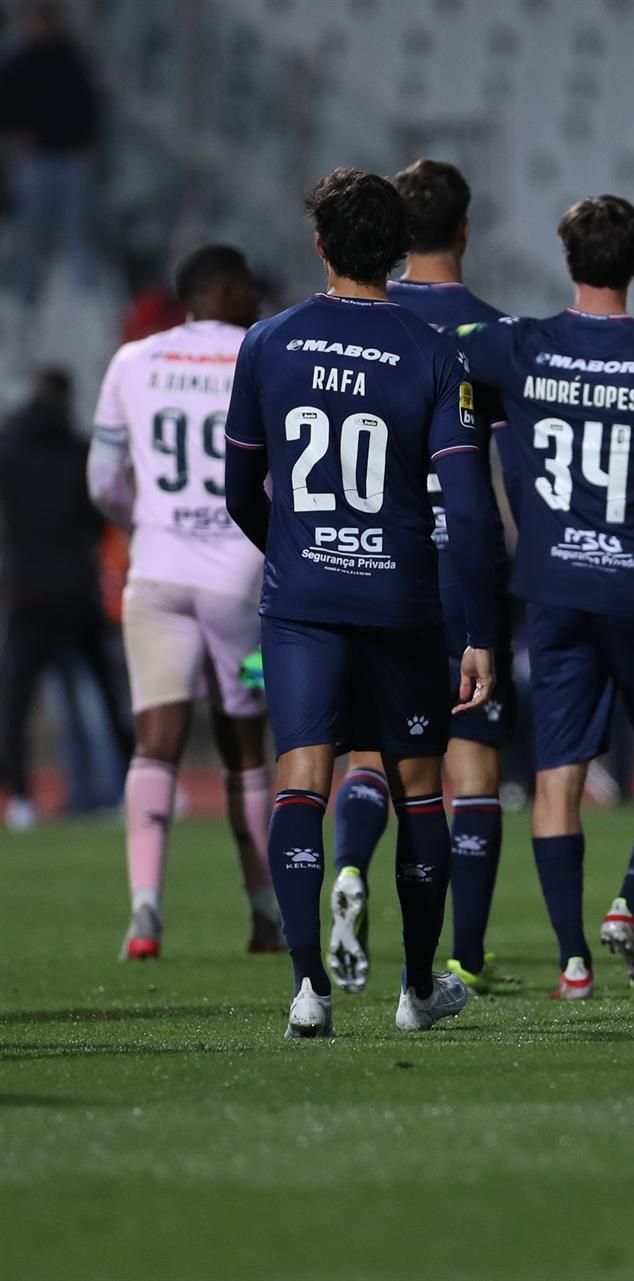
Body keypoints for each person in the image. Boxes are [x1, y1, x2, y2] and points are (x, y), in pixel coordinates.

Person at [223, 167, 500, 1038]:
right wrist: (481, 632)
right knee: (420, 787)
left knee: (302, 776)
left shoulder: (268, 341)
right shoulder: (433, 350)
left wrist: (300, 555)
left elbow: (238, 488)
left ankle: (309, 989)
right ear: (398, 251)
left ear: (319, 246)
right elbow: (468, 509)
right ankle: (418, 990)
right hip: (400, 600)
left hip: (302, 601)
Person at [458, 195, 634, 1000]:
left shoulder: (518, 345)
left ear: (568, 259)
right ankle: (633, 898)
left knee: (558, 774)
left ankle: (573, 961)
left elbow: (439, 342)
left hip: (550, 585)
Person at [325, 159, 521, 996]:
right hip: (463, 567)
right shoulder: (495, 332)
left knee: (370, 751)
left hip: (378, 562)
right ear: (467, 228)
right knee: (469, 768)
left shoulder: (365, 318)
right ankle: (464, 957)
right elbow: (508, 473)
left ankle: (348, 867)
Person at [86, 244, 281, 959]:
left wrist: (149, 521)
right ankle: (265, 908)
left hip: (156, 575)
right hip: (239, 582)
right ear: (227, 289)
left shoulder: (132, 361)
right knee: (245, 742)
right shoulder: (261, 351)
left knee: (156, 738)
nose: (257, 299)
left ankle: (144, 907)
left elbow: (103, 478)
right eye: (250, 288)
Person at [0, 368, 131, 829]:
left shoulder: (11, 453)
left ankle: (19, 799)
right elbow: (99, 517)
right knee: (107, 696)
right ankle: (132, 790)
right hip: (77, 590)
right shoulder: (78, 452)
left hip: (28, 592)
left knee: (17, 704)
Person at [0, 4, 102, 304]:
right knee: (30, 232)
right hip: (36, 159)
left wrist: (87, 141)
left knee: (77, 234)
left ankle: (81, 301)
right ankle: (20, 297)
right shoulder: (20, 62)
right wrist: (18, 133)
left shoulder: (71, 58)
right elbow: (6, 105)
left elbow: (89, 103)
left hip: (72, 158)